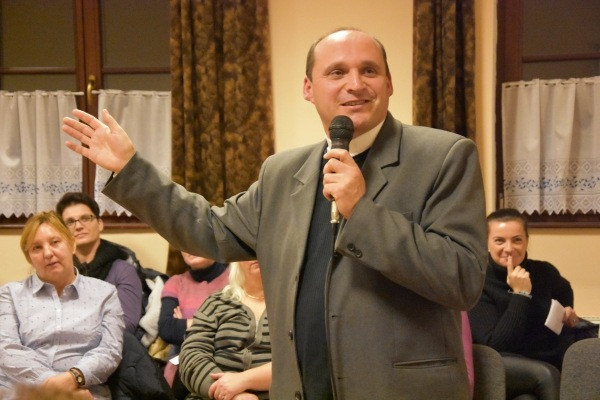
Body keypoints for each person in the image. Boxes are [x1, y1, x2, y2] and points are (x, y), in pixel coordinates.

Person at [62, 28, 487, 399]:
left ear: (389, 83)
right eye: (337, 72)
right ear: (308, 88)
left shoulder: (443, 157)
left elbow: (463, 279)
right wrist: (131, 171)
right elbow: (207, 229)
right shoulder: (284, 172)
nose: (355, 84)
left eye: (369, 70)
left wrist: (362, 212)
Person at [0, 211, 124, 400]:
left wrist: (74, 377)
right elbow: (7, 349)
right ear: (29, 257)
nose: (48, 253)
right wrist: (56, 388)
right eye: (37, 248)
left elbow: (110, 350)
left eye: (55, 242)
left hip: (84, 393)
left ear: (72, 244)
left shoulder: (105, 294)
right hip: (24, 392)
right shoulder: (10, 294)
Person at [468, 208, 580, 400]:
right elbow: (496, 346)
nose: (509, 248)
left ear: (527, 241)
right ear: (486, 242)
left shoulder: (545, 272)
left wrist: (568, 316)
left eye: (517, 240)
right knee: (546, 375)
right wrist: (520, 294)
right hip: (501, 365)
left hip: (545, 361)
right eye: (499, 240)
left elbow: (565, 292)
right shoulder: (478, 281)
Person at [179, 260, 271, 400]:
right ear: (237, 261)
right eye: (250, 251)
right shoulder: (216, 302)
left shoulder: (294, 307)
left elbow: (300, 364)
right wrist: (231, 396)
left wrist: (243, 380)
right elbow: (191, 355)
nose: (257, 256)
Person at [56, 192, 143, 334]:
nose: (78, 226)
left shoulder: (122, 269)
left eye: (85, 218)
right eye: (70, 222)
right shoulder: (58, 270)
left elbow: (126, 325)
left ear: (100, 224)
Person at [159, 251, 229, 388]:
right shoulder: (176, 282)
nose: (189, 248)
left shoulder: (235, 278)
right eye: (184, 243)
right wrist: (215, 322)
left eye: (194, 241)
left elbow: (235, 330)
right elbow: (167, 329)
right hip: (181, 367)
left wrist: (186, 325)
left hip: (226, 366)